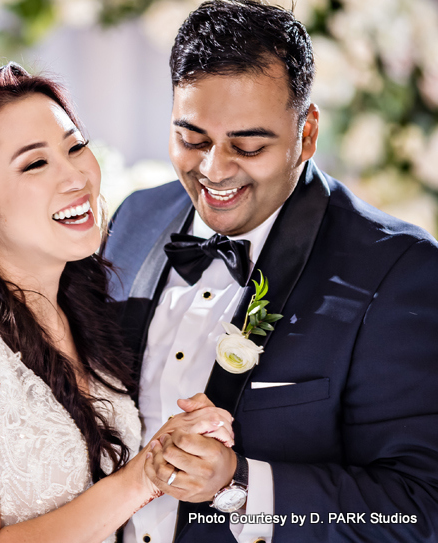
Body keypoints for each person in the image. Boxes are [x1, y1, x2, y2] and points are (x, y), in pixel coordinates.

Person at [104, 1, 438, 542]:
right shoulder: (135, 219)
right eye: (192, 139)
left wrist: (240, 488)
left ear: (306, 135)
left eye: (249, 145)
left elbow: (418, 511)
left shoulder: (398, 271)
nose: (213, 170)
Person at [0, 63, 234, 543]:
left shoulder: (83, 308)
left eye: (75, 147)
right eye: (34, 163)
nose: (75, 177)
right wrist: (142, 478)